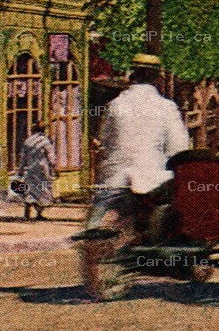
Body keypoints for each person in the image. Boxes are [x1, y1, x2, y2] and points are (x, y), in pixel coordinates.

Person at [77, 54, 191, 240]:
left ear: (132, 75)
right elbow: (178, 147)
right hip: (151, 180)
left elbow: (105, 141)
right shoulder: (166, 107)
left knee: (96, 215)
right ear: (157, 79)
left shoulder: (115, 105)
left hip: (113, 180)